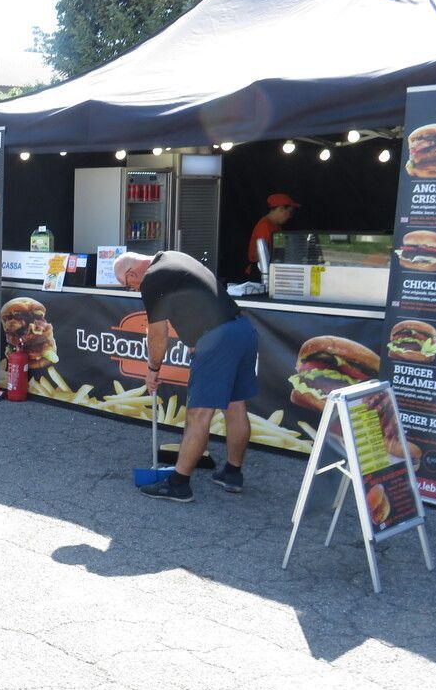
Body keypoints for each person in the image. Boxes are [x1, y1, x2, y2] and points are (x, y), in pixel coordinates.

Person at [114, 250, 257, 503]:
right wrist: (193, 338)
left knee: (198, 415)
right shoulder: (172, 257)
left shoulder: (152, 279)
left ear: (132, 273)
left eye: (128, 286)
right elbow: (197, 297)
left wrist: (153, 369)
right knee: (235, 406)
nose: (133, 290)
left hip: (218, 338)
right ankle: (232, 474)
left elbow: (157, 335)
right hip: (241, 330)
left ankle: (179, 484)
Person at [247, 193, 300, 277]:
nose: (290, 216)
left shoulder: (276, 227)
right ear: (281, 209)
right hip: (260, 271)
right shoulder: (264, 226)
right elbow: (260, 255)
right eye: (290, 212)